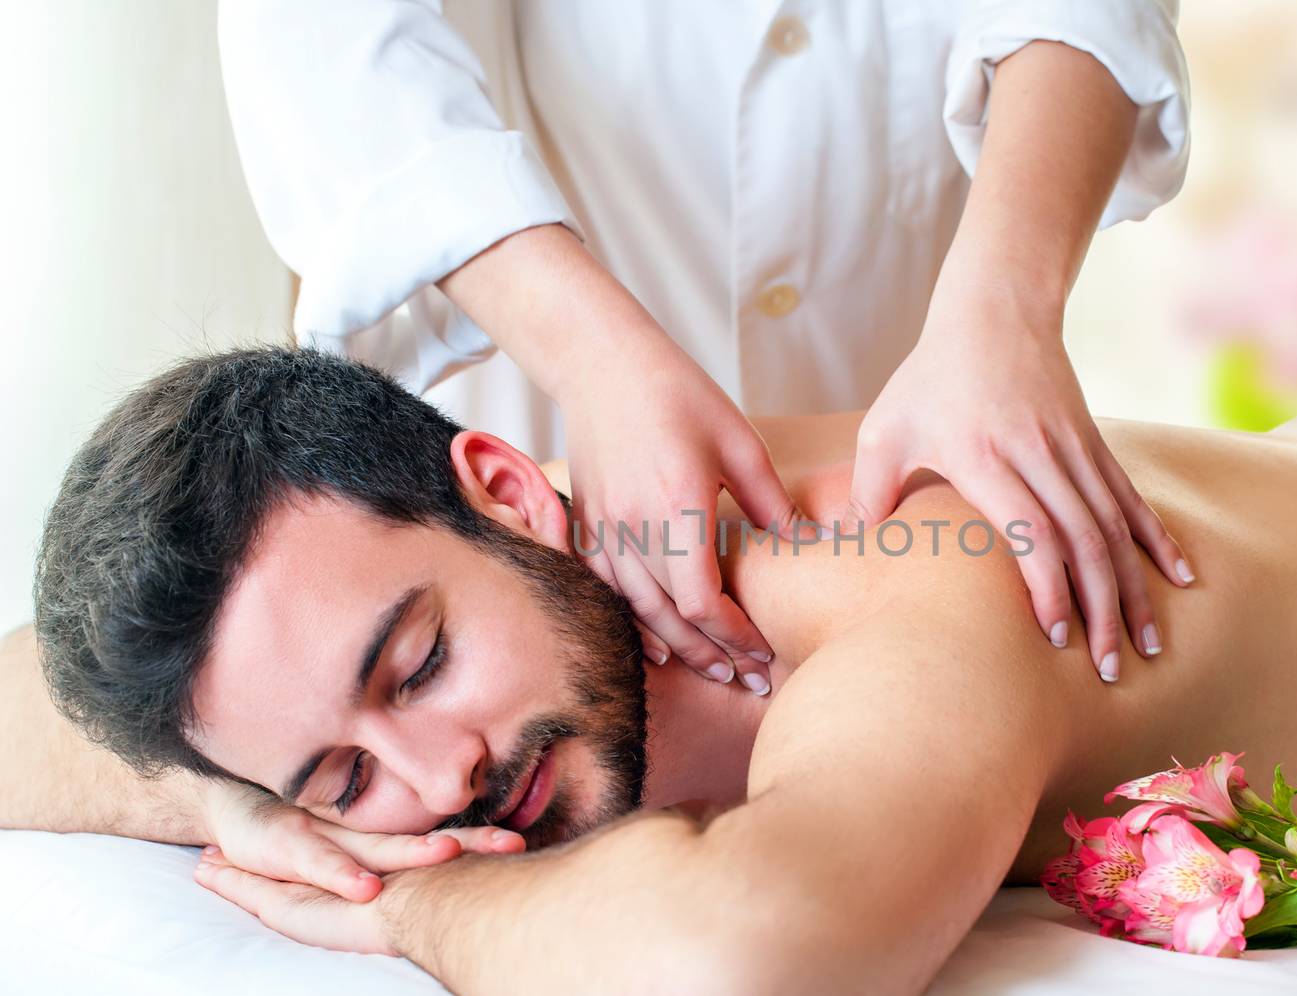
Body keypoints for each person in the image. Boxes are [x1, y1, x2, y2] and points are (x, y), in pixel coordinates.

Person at [8, 322, 1297, 996]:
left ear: (509, 484)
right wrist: (235, 789)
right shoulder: (515, 585)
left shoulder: (914, 578)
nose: (439, 779)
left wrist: (402, 905)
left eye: (415, 665)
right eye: (343, 777)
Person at [217, 1, 1196, 695]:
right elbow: (323, 35)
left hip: (903, 465)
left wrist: (1005, 312)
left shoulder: (929, 645)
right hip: (534, 427)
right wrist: (591, 356)